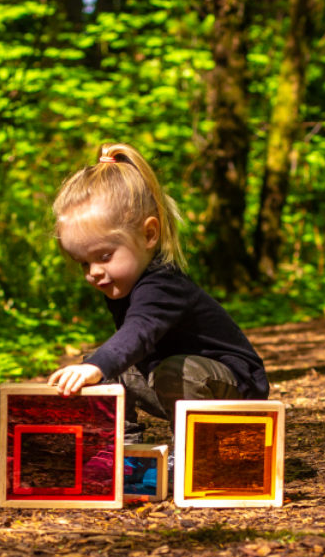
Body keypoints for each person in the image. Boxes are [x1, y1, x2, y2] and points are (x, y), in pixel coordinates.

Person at [47, 142, 268, 443]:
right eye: (84, 263)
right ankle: (122, 446)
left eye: (104, 257)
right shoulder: (120, 282)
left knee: (153, 368)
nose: (93, 272)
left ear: (149, 234)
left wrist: (97, 366)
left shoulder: (163, 284)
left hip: (234, 389)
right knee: (105, 367)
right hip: (173, 379)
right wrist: (98, 365)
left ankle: (195, 452)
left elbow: (139, 332)